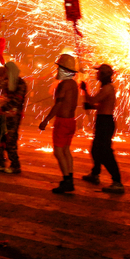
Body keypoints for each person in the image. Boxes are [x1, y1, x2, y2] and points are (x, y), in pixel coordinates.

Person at [80, 64, 124, 193]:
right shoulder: (106, 87)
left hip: (105, 123)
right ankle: (95, 174)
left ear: (104, 75)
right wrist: (93, 107)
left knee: (105, 153)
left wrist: (85, 90)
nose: (96, 74)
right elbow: (102, 105)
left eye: (98, 72)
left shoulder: (107, 88)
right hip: (102, 121)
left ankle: (117, 181)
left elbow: (92, 100)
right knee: (95, 150)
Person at [39, 54, 79, 194]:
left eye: (59, 68)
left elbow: (58, 105)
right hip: (71, 121)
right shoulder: (73, 84)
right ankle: (70, 179)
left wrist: (46, 120)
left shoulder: (63, 85)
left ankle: (67, 180)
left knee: (58, 152)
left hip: (62, 121)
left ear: (65, 70)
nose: (57, 71)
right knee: (66, 151)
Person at [0, 62, 28, 174]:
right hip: (3, 115)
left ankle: (15, 165)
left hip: (13, 117)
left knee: (10, 140)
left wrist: (3, 107)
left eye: (7, 71)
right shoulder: (5, 81)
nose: (5, 73)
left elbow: (17, 100)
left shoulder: (20, 83)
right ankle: (1, 162)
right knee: (0, 139)